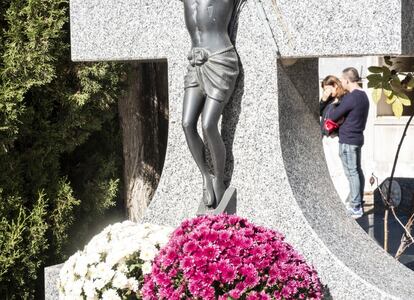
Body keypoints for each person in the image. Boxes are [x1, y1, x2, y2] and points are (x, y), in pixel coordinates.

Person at [181, 0, 244, 208]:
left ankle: (219, 178)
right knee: (187, 124)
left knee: (208, 124)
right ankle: (206, 176)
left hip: (219, 60)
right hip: (195, 62)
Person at [330, 67, 370, 218]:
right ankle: (358, 202)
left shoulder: (351, 97)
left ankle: (355, 206)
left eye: (341, 80)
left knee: (352, 172)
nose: (341, 83)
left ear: (347, 80)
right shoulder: (364, 96)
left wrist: (335, 104)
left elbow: (334, 116)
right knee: (357, 171)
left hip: (348, 140)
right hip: (358, 138)